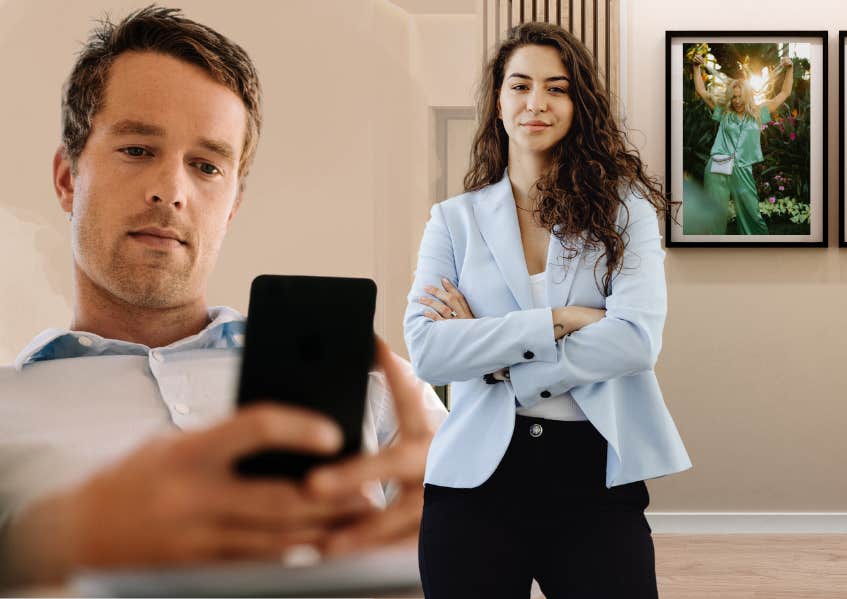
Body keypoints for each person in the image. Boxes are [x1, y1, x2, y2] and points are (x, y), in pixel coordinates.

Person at [0, 6, 444, 587]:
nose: (170, 191)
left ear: (231, 206)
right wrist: (62, 539)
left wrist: (455, 549)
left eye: (206, 166)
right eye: (137, 150)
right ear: (67, 179)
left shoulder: (371, 383)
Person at [405, 21, 691, 599]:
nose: (537, 102)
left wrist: (492, 354)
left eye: (557, 88)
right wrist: (560, 321)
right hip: (473, 485)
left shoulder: (624, 212)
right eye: (520, 86)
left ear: (578, 104)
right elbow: (429, 351)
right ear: (498, 101)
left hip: (594, 477)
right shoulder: (453, 220)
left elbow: (635, 341)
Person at [691, 51, 794, 235]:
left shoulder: (758, 112)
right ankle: (712, 251)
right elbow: (702, 91)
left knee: (751, 212)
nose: (737, 101)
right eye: (733, 96)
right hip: (719, 163)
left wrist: (789, 68)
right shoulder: (724, 111)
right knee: (715, 214)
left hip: (742, 166)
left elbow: (784, 93)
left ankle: (757, 249)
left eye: (740, 96)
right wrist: (696, 67)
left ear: (747, 95)